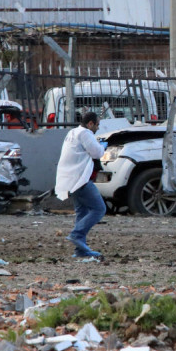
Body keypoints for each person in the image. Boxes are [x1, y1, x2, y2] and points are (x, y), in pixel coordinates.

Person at [54, 111, 106, 259]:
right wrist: (102, 146)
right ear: (90, 124)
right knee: (99, 209)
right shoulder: (85, 133)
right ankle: (76, 234)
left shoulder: (73, 132)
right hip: (80, 180)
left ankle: (80, 251)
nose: (97, 128)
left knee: (82, 212)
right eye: (97, 125)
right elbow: (97, 153)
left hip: (70, 179)